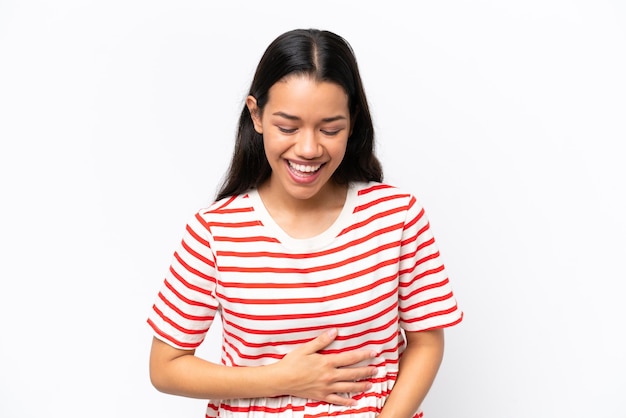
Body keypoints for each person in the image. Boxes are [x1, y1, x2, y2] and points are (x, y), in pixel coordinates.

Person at [147, 28, 463, 418]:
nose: (309, 149)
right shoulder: (215, 232)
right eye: (288, 127)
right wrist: (282, 379)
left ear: (353, 121)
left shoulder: (396, 216)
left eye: (330, 129)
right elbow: (165, 367)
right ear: (256, 114)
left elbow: (427, 342)